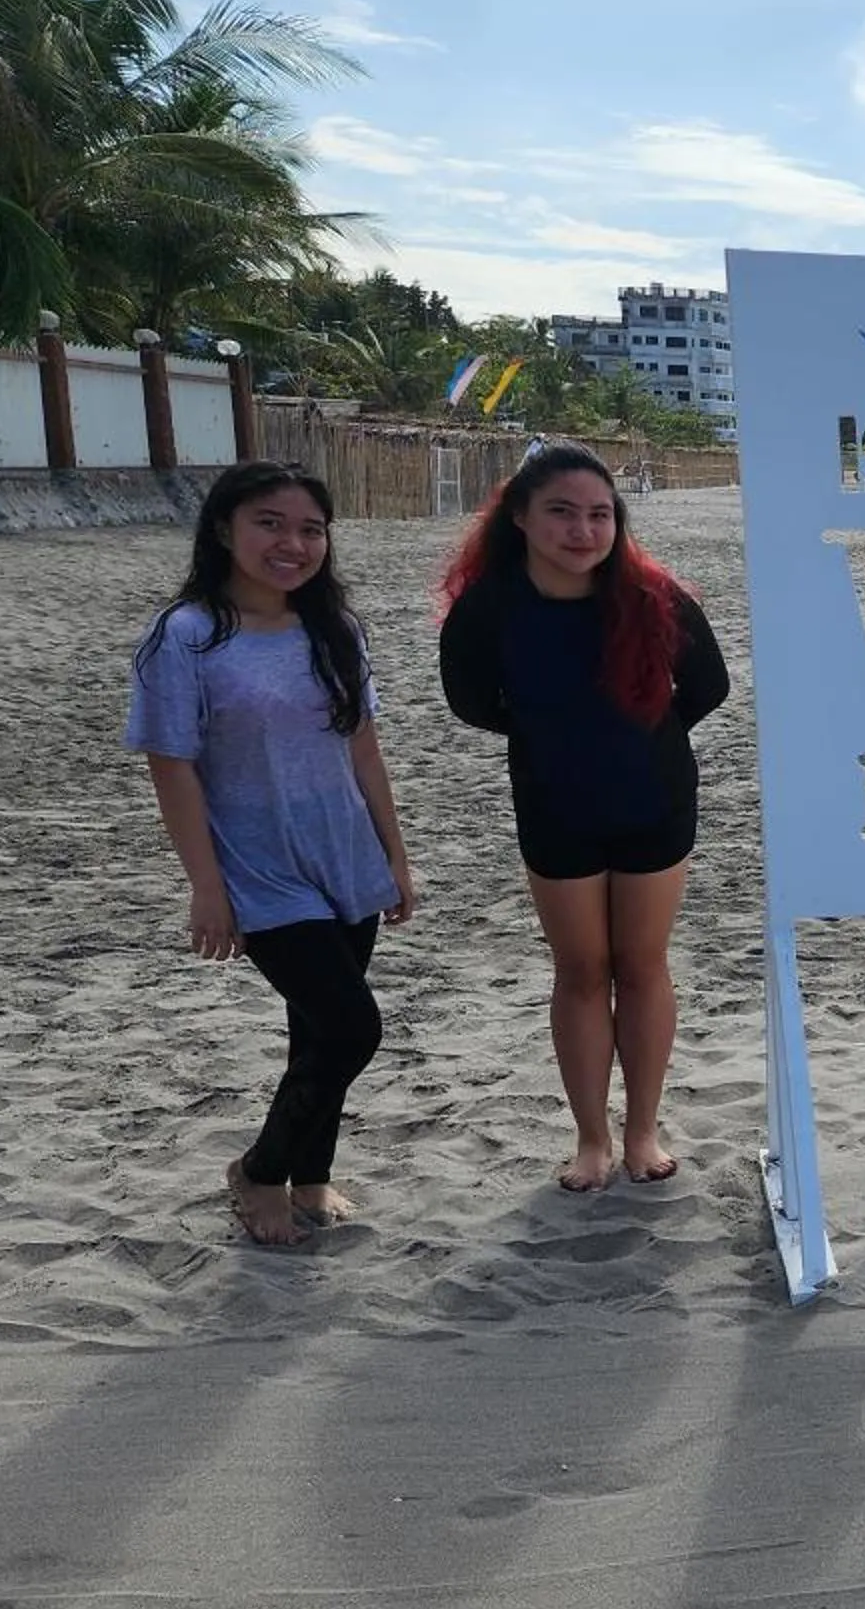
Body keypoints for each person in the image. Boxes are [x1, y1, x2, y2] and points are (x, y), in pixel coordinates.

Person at [128, 461, 416, 1247]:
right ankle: (260, 1171)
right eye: (270, 523)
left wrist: (394, 854)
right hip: (258, 867)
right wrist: (206, 888)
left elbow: (364, 751)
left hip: (342, 853)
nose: (292, 544)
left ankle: (312, 1174)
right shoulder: (186, 637)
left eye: (310, 529)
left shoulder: (334, 629)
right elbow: (172, 765)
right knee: (353, 1028)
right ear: (225, 529)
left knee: (314, 1031)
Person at [438, 443, 729, 1191]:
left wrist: (641, 734)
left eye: (599, 514)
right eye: (562, 513)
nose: (582, 530)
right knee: (580, 969)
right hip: (554, 805)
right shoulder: (489, 606)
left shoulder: (653, 596)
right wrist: (553, 734)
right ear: (522, 519)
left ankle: (641, 1132)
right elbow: (471, 702)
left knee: (641, 965)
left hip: (655, 802)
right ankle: (591, 1139)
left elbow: (708, 685)